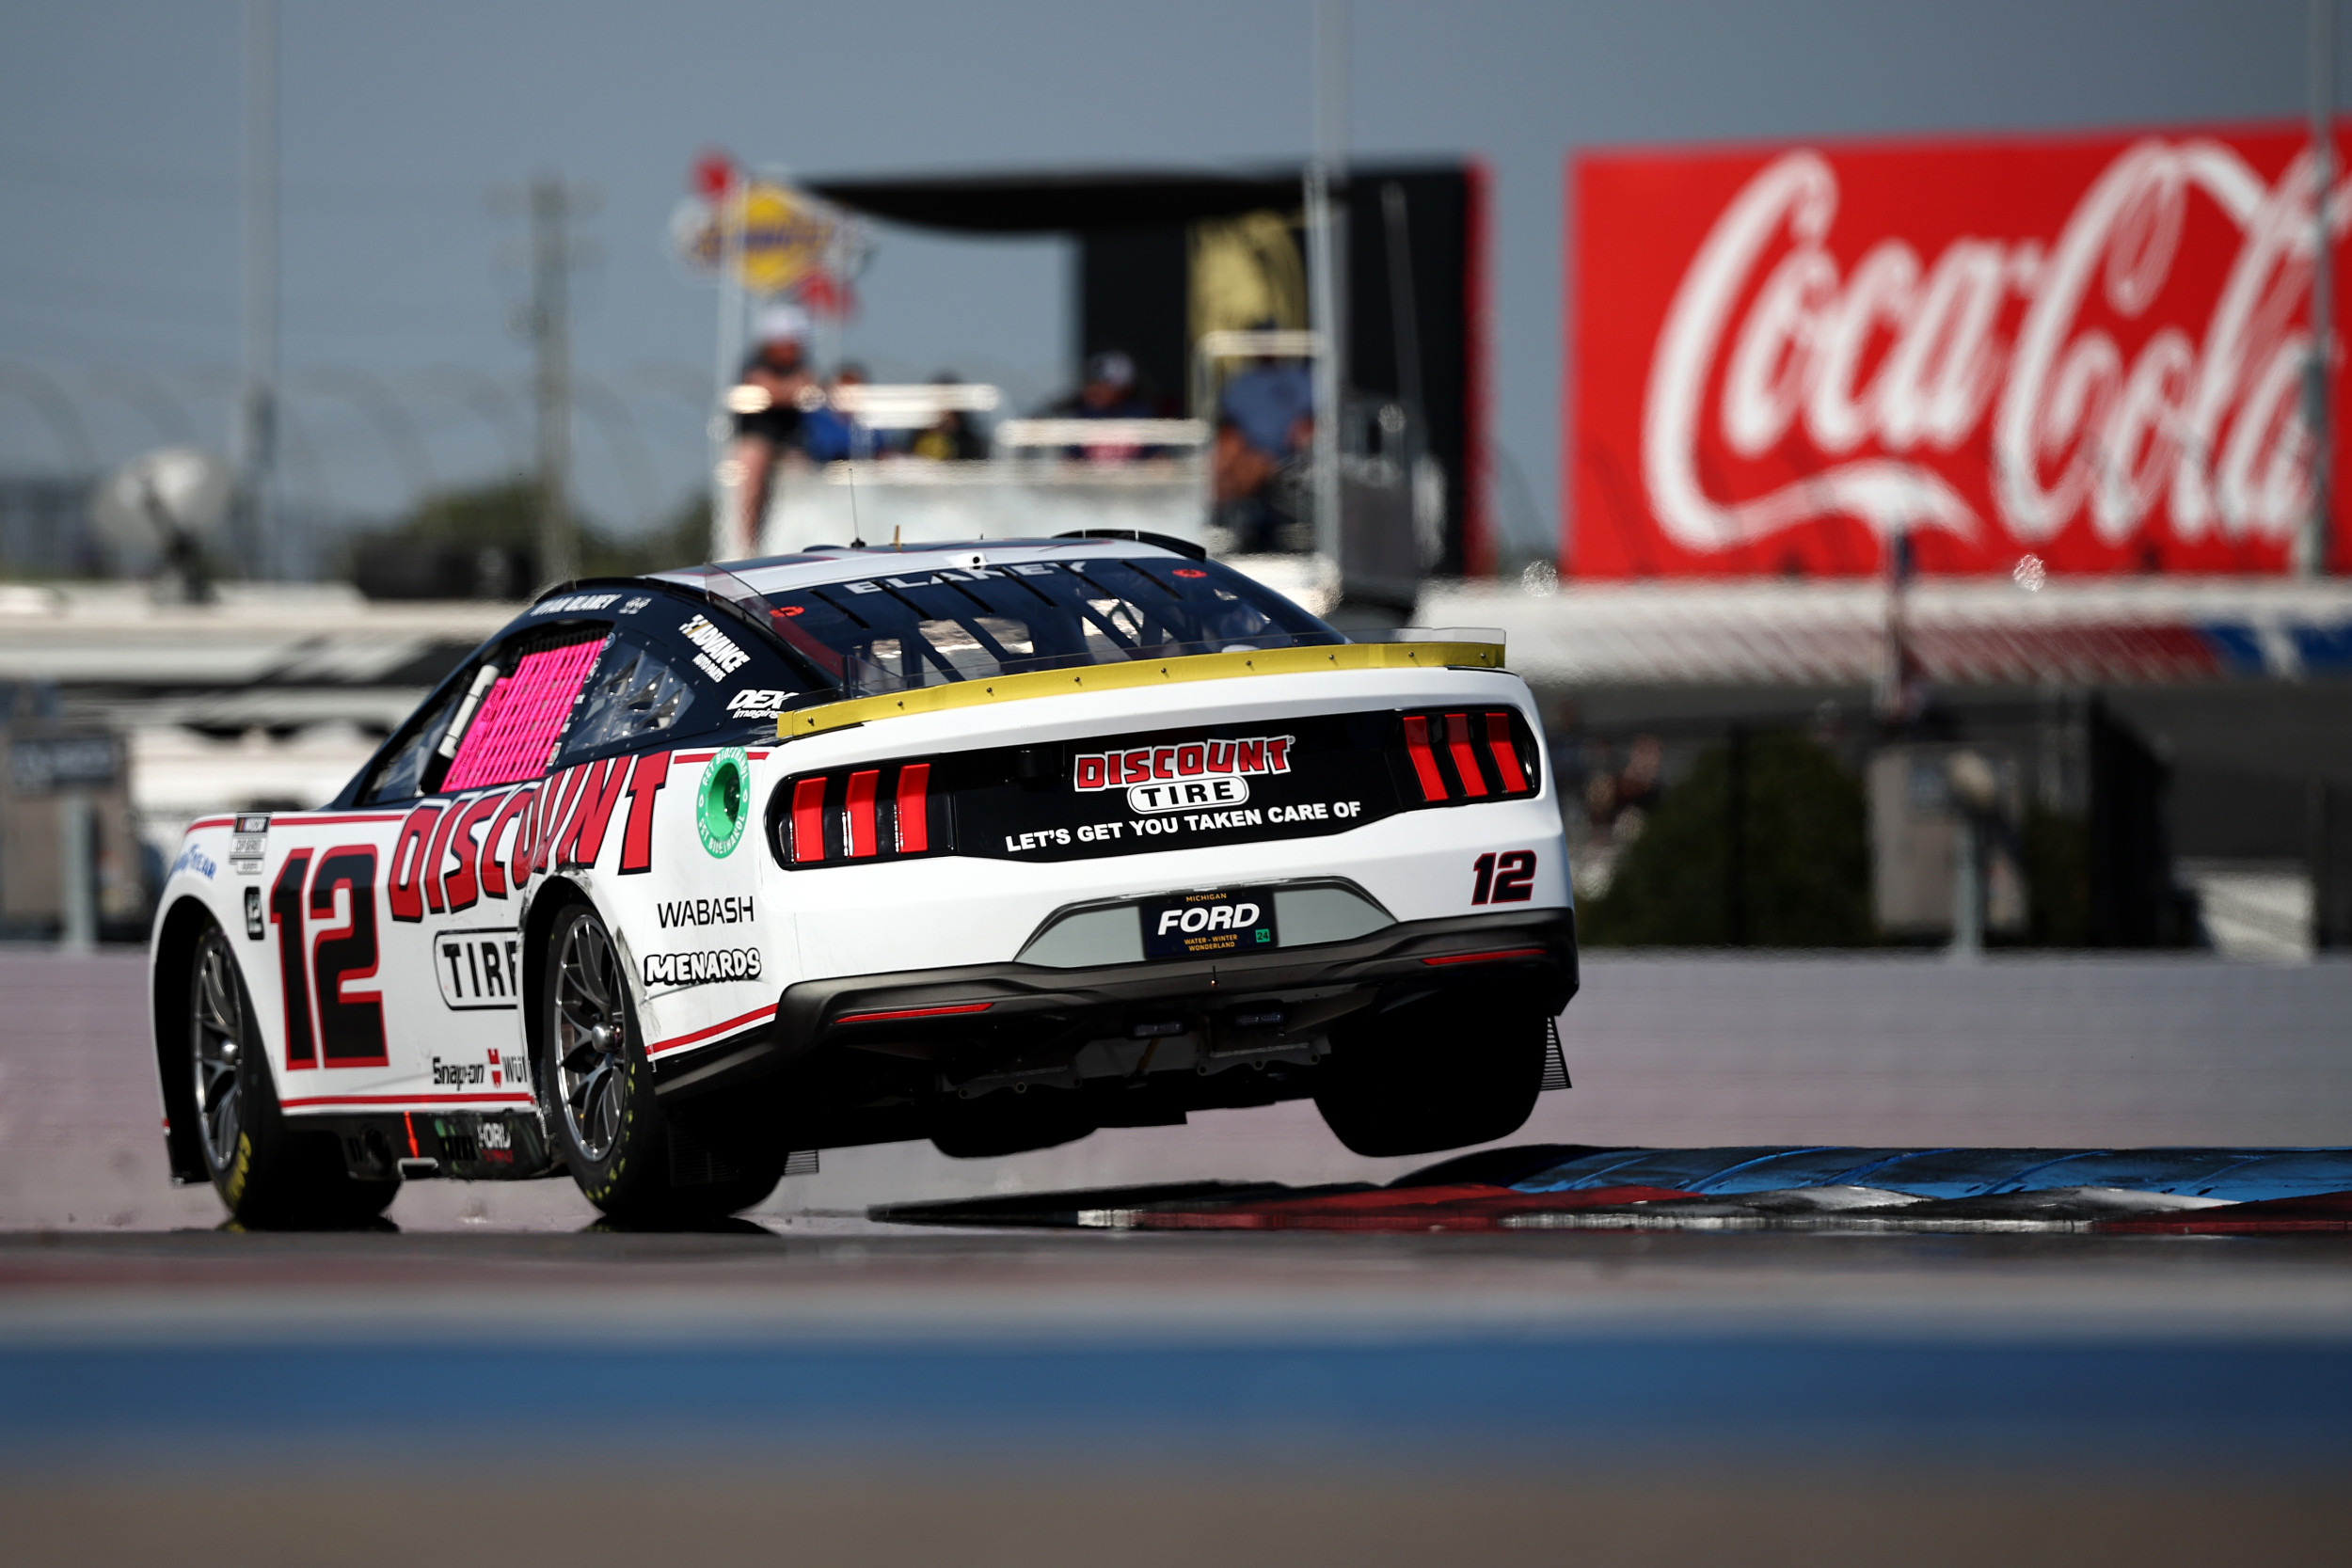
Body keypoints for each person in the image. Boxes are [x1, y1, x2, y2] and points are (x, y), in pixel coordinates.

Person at [726, 305, 816, 554]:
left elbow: (805, 388)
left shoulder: (800, 366)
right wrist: (790, 391)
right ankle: (747, 544)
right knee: (752, 464)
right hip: (760, 439)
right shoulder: (756, 365)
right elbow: (773, 389)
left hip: (793, 442)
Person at [1213, 342, 1314, 551]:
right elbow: (1230, 425)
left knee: (1251, 467)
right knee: (1221, 457)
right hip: (1247, 449)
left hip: (1283, 454)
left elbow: (1309, 421)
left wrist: (1297, 439)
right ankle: (1212, 524)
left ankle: (1228, 526)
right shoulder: (1242, 380)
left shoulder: (1296, 378)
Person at [1046, 351, 1151, 461]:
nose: (1093, 389)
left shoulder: (1140, 414)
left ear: (1123, 388)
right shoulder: (1079, 413)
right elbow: (1070, 463)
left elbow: (1158, 461)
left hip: (1133, 477)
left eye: (1102, 384)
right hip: (1088, 477)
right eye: (1091, 383)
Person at [799, 361, 869, 466]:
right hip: (816, 474)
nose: (848, 396)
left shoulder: (868, 425)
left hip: (861, 474)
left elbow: (880, 450)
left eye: (853, 391)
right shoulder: (813, 419)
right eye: (843, 390)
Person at [908, 372, 988, 462]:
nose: (941, 410)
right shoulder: (915, 437)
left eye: (946, 402)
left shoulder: (971, 443)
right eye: (936, 401)